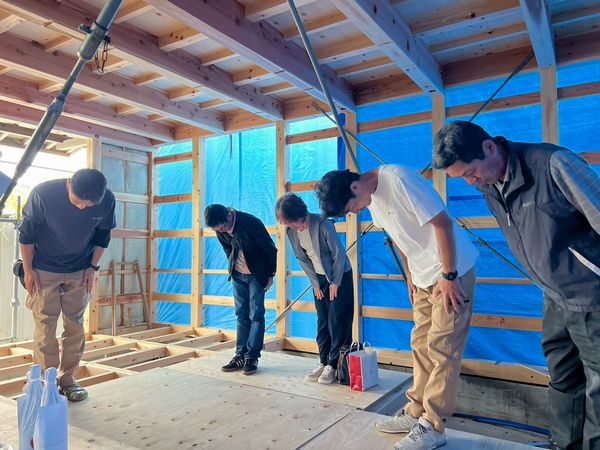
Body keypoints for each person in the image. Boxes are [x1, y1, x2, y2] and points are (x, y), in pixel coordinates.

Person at [432, 120, 600, 450]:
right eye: (462, 177)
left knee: (598, 384)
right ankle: (563, 444)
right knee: (562, 375)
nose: (470, 182)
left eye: (470, 172)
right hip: (554, 295)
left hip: (591, 295)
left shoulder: (552, 165)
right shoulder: (489, 185)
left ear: (489, 147)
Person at [316, 165, 478, 450]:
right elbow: (398, 238)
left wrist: (450, 275)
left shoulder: (399, 180)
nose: (354, 213)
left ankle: (433, 426)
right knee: (421, 344)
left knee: (443, 348)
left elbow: (442, 223)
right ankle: (416, 411)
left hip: (450, 272)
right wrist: (410, 276)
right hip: (424, 276)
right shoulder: (370, 198)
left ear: (354, 187)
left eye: (350, 208)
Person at [19, 168, 116, 402]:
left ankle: (68, 380)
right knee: (46, 324)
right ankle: (47, 381)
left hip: (80, 270)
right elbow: (26, 235)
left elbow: (102, 236)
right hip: (44, 268)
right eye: (77, 201)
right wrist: (29, 270)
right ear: (69, 184)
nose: (82, 208)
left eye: (88, 205)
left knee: (75, 325)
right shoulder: (43, 194)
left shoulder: (106, 200)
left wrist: (93, 267)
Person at [275, 194, 354, 384]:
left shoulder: (323, 224)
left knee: (337, 320)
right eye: (290, 224)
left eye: (295, 222)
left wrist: (335, 283)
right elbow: (303, 259)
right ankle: (323, 361)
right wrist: (315, 284)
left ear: (301, 214)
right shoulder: (291, 232)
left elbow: (339, 255)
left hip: (339, 276)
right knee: (323, 321)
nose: (295, 227)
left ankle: (334, 365)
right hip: (319, 279)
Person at [205, 204, 277, 376]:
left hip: (256, 275)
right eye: (218, 230)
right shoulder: (219, 229)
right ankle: (240, 355)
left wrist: (270, 274)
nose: (222, 231)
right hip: (237, 275)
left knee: (256, 315)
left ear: (229, 216)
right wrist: (233, 266)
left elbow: (270, 249)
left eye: (223, 227)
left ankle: (252, 357)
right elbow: (227, 249)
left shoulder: (251, 223)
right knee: (241, 315)